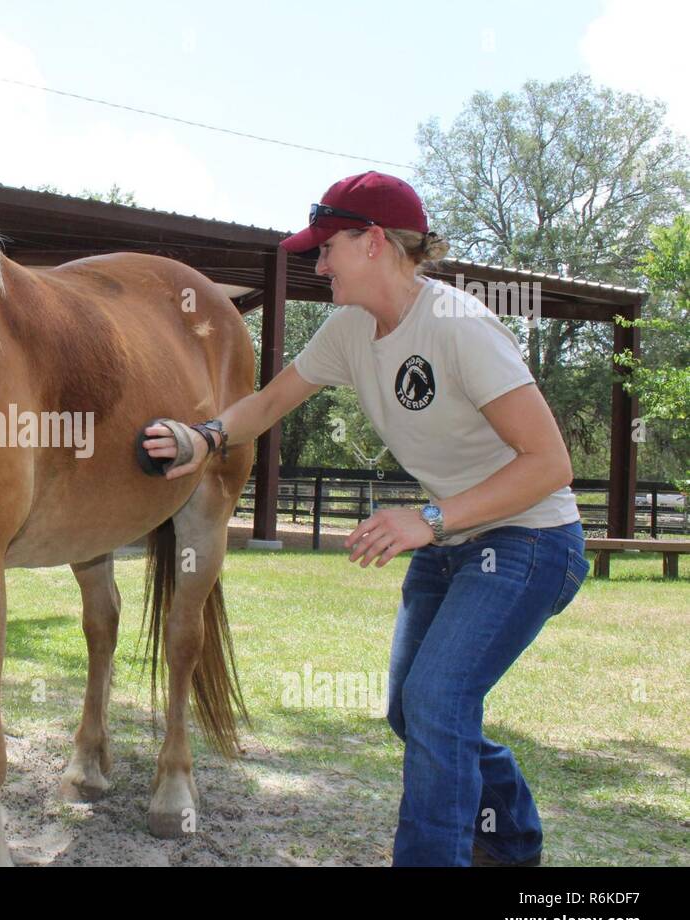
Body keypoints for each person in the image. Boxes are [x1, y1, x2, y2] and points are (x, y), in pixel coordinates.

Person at [142, 171, 588, 867]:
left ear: (374, 241)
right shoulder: (350, 330)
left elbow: (550, 463)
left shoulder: (459, 327)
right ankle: (511, 841)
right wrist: (205, 436)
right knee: (413, 712)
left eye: (327, 249)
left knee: (437, 701)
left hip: (532, 541)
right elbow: (266, 403)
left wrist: (430, 519)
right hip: (453, 542)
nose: (318, 265)